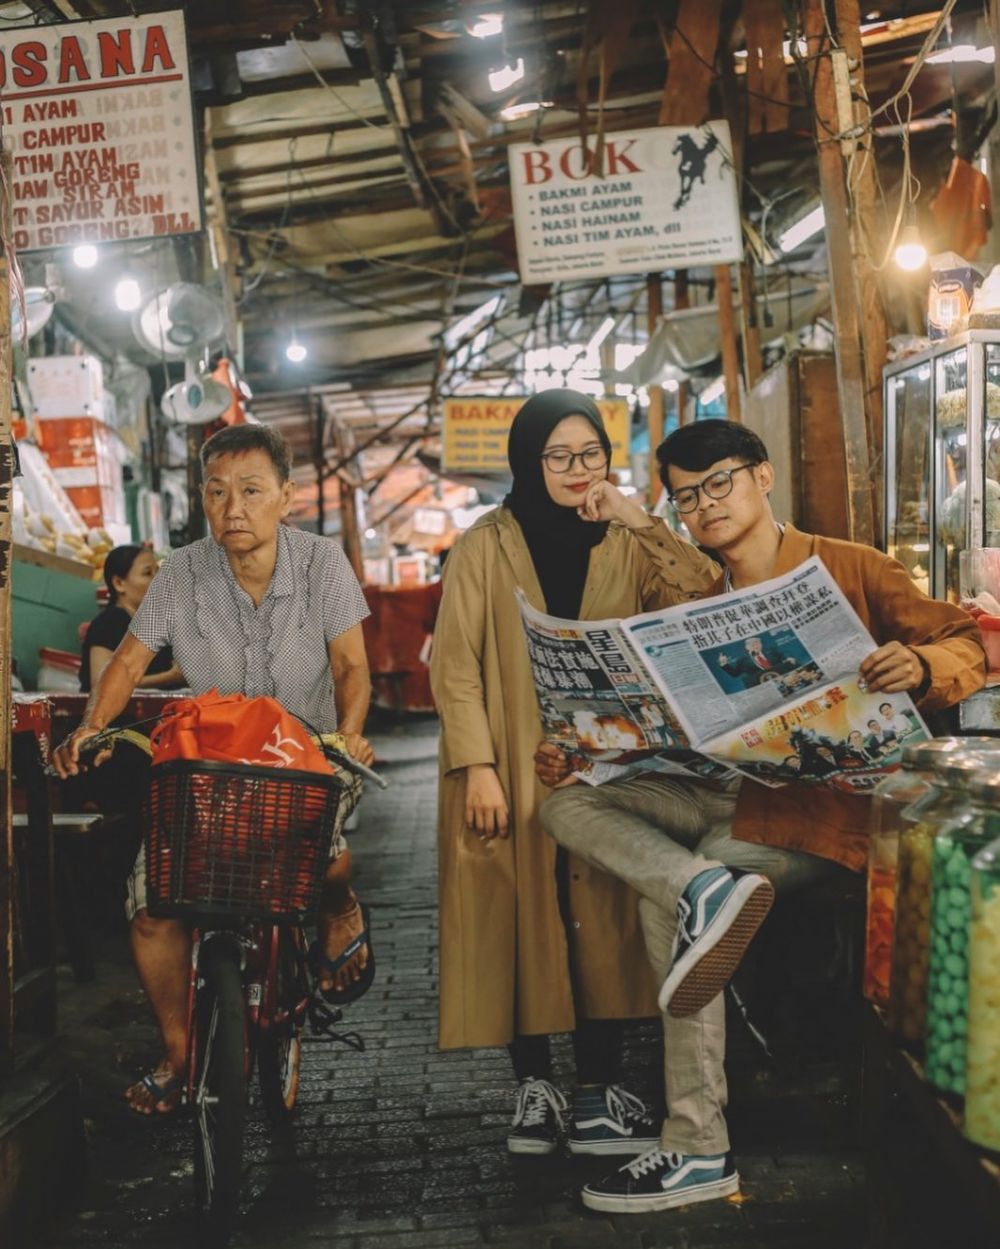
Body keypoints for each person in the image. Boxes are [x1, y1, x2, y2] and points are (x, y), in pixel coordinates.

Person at [536, 418, 985, 1213]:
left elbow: (971, 642)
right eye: (685, 498)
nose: (704, 506)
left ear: (763, 476)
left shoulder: (849, 565)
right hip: (726, 789)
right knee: (569, 797)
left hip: (830, 814)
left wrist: (920, 665)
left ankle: (698, 1143)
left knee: (672, 893)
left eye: (719, 483)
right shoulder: (703, 603)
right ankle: (698, 889)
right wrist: (592, 746)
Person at [52, 424, 375, 1115]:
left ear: (286, 497)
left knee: (324, 865)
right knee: (152, 909)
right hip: (209, 766)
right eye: (218, 491)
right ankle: (178, 1052)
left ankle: (340, 908)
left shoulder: (324, 563)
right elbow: (129, 664)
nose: (233, 507)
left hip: (308, 756)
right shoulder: (180, 573)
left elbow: (351, 666)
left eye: (252, 491)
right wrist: (91, 726)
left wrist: (348, 736)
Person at [430, 388, 717, 1158]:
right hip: (505, 759)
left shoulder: (624, 541)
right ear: (528, 460)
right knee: (517, 913)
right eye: (558, 456)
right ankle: (536, 1086)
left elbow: (700, 595)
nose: (575, 469)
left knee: (605, 920)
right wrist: (478, 766)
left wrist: (640, 520)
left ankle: (598, 1088)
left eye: (590, 453)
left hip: (607, 764)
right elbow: (455, 665)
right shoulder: (484, 544)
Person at [80, 545, 182, 692]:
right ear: (119, 584)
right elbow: (101, 684)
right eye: (147, 573)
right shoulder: (109, 623)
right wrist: (170, 677)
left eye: (158, 572)